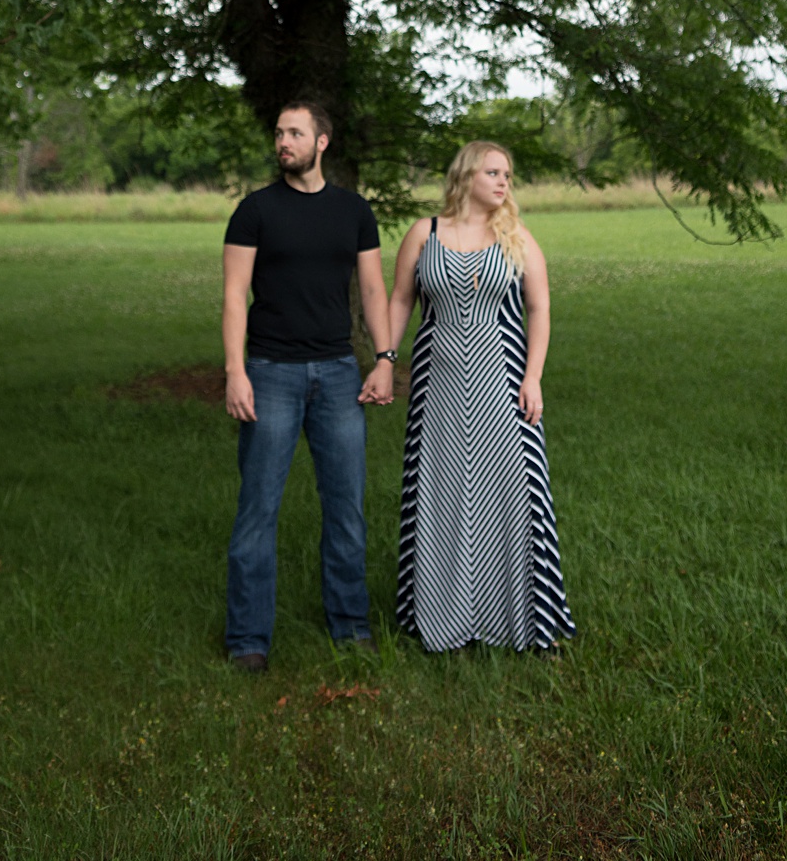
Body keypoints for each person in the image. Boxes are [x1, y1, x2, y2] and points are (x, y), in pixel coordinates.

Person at [222, 100, 396, 671]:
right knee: (258, 511)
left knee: (346, 509)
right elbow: (233, 297)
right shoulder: (254, 211)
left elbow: (372, 291)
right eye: (278, 133)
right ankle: (248, 639)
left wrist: (385, 358)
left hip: (340, 374)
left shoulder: (353, 211)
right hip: (270, 373)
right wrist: (235, 373)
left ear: (322, 141)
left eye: (294, 132)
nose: (283, 142)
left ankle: (349, 628)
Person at [389, 139, 575, 653]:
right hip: (438, 388)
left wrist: (532, 377)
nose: (503, 182)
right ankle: (441, 619)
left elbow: (539, 308)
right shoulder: (424, 234)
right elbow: (402, 298)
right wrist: (386, 360)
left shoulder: (515, 236)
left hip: (503, 384)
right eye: (493, 172)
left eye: (508, 176)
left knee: (512, 495)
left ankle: (522, 623)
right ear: (466, 175)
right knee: (441, 494)